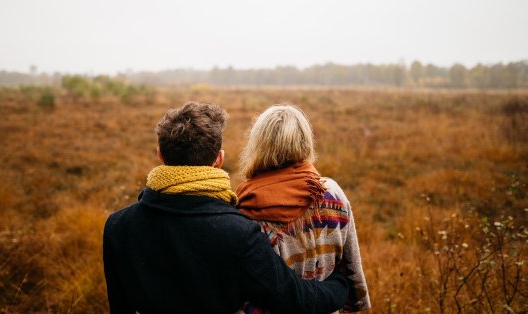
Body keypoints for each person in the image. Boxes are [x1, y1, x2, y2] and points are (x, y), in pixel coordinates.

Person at [103, 102, 352, 314]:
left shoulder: (117, 226)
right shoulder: (239, 231)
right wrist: (340, 285)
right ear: (219, 159)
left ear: (159, 154)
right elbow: (295, 299)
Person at [236, 104, 371, 313]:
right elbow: (351, 270)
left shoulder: (249, 206)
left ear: (258, 145)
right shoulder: (332, 193)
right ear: (305, 142)